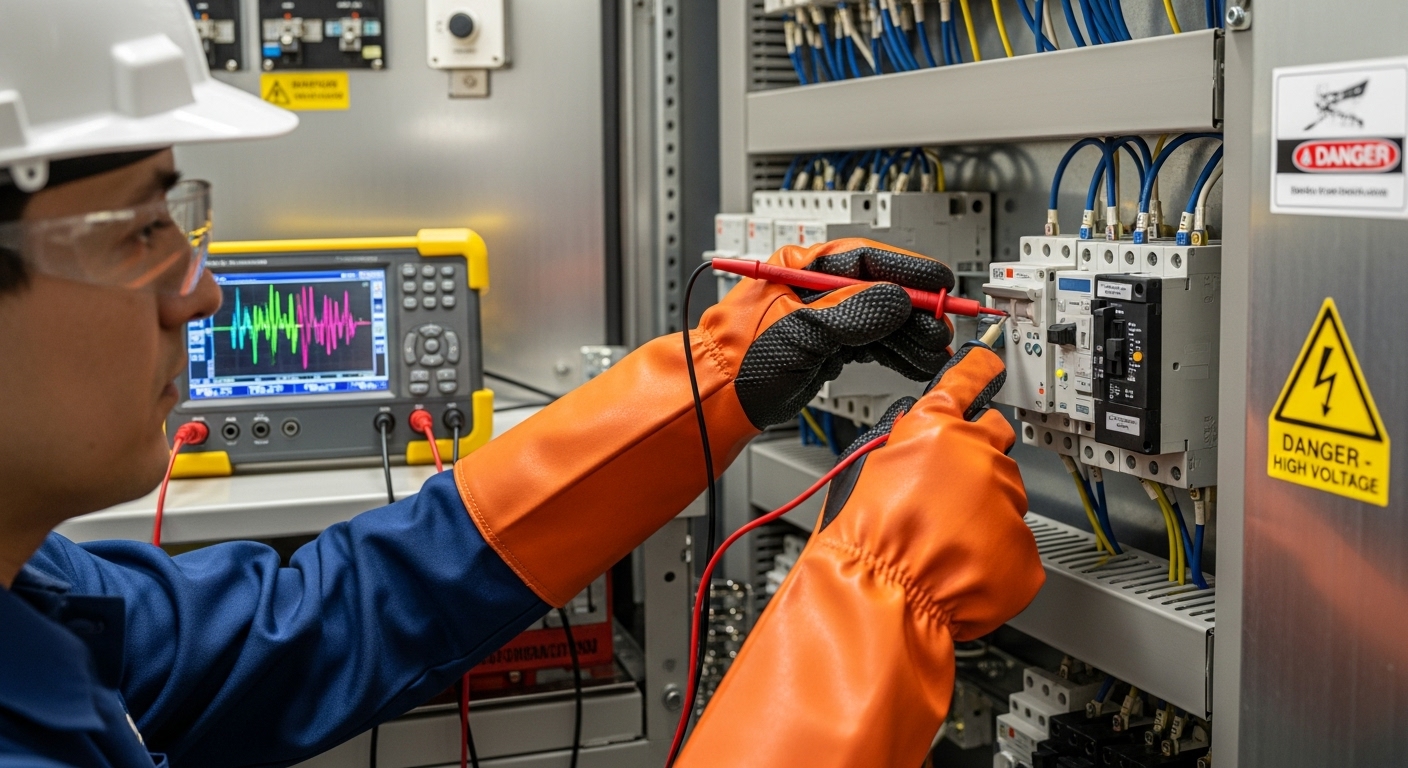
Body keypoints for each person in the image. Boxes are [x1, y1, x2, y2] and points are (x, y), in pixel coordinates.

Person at [0, 1, 1043, 766]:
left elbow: (331, 617)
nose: (203, 294)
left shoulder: (36, 598)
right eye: (142, 231)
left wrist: (718, 375)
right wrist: (882, 600)